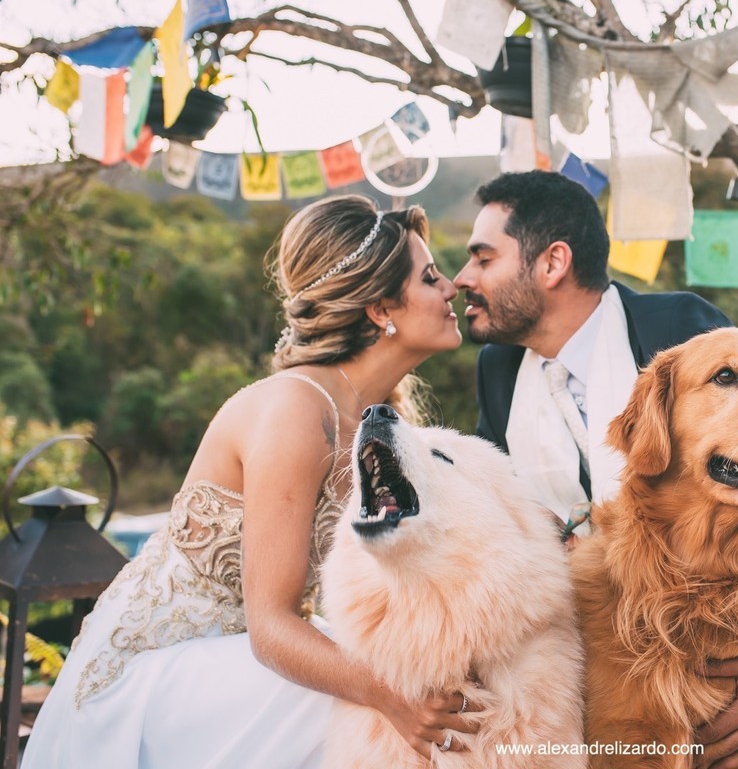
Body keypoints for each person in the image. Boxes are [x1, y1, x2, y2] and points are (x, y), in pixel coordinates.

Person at [453, 170, 738, 769]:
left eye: (483, 258)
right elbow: (504, 511)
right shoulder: (498, 369)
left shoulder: (678, 328)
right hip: (609, 630)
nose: (463, 278)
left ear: (552, 264)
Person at [23, 196, 479, 768]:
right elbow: (271, 627)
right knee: (366, 707)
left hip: (244, 663)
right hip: (155, 676)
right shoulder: (296, 410)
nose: (451, 289)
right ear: (381, 308)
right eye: (431, 277)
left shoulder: (375, 422)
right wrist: (395, 696)